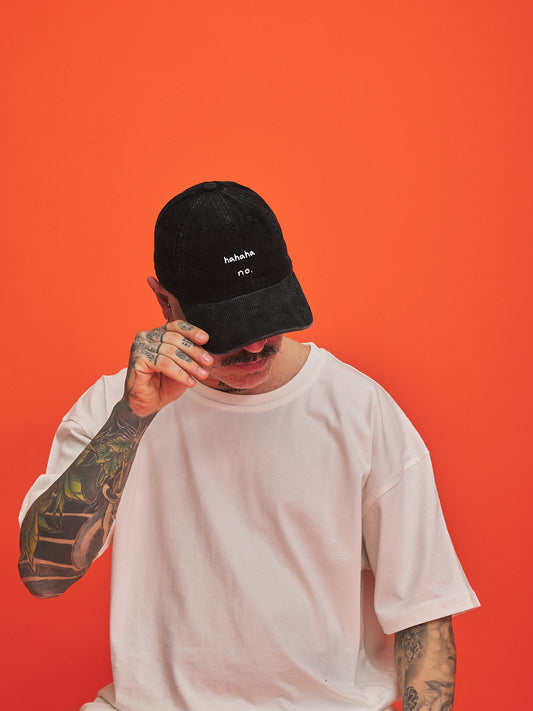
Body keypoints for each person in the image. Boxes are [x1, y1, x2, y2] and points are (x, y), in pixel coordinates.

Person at [18, 180, 479, 711]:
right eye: (230, 327)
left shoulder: (361, 410)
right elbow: (43, 576)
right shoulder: (115, 408)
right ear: (165, 301)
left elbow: (424, 612)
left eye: (267, 314)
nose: (257, 344)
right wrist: (130, 421)